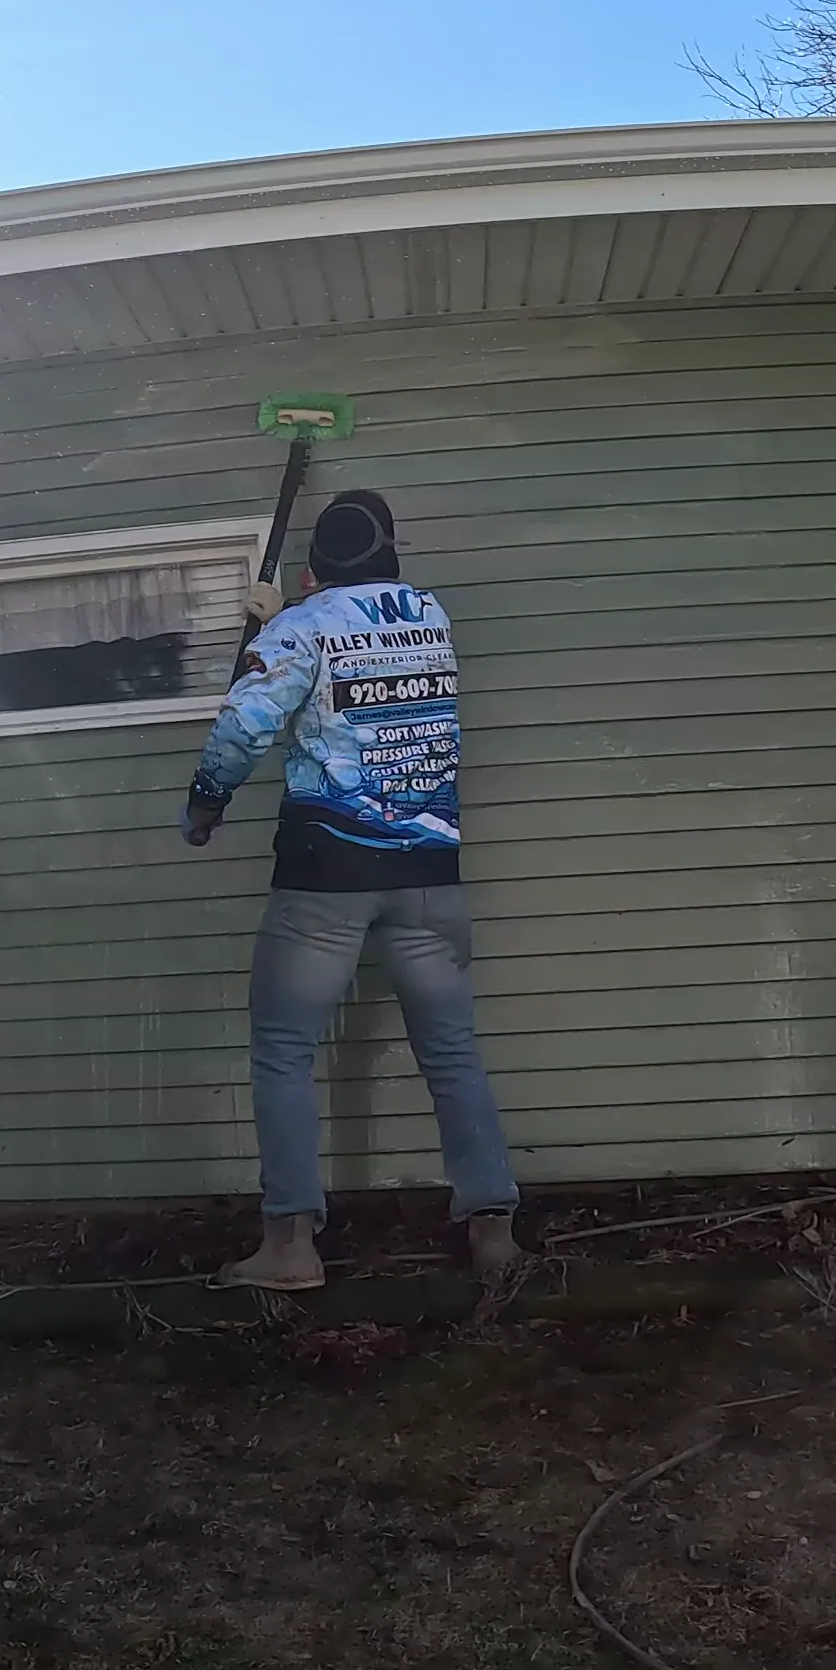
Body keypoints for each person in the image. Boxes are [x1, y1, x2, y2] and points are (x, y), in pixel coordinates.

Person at [183, 488, 521, 1291]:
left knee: (284, 1053)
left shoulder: (302, 627)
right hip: (428, 872)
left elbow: (244, 726)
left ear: (313, 566)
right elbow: (366, 636)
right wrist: (290, 620)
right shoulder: (428, 615)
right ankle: (495, 1233)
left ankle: (290, 1247)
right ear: (390, 548)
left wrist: (206, 802)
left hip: (325, 878)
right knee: (451, 1052)